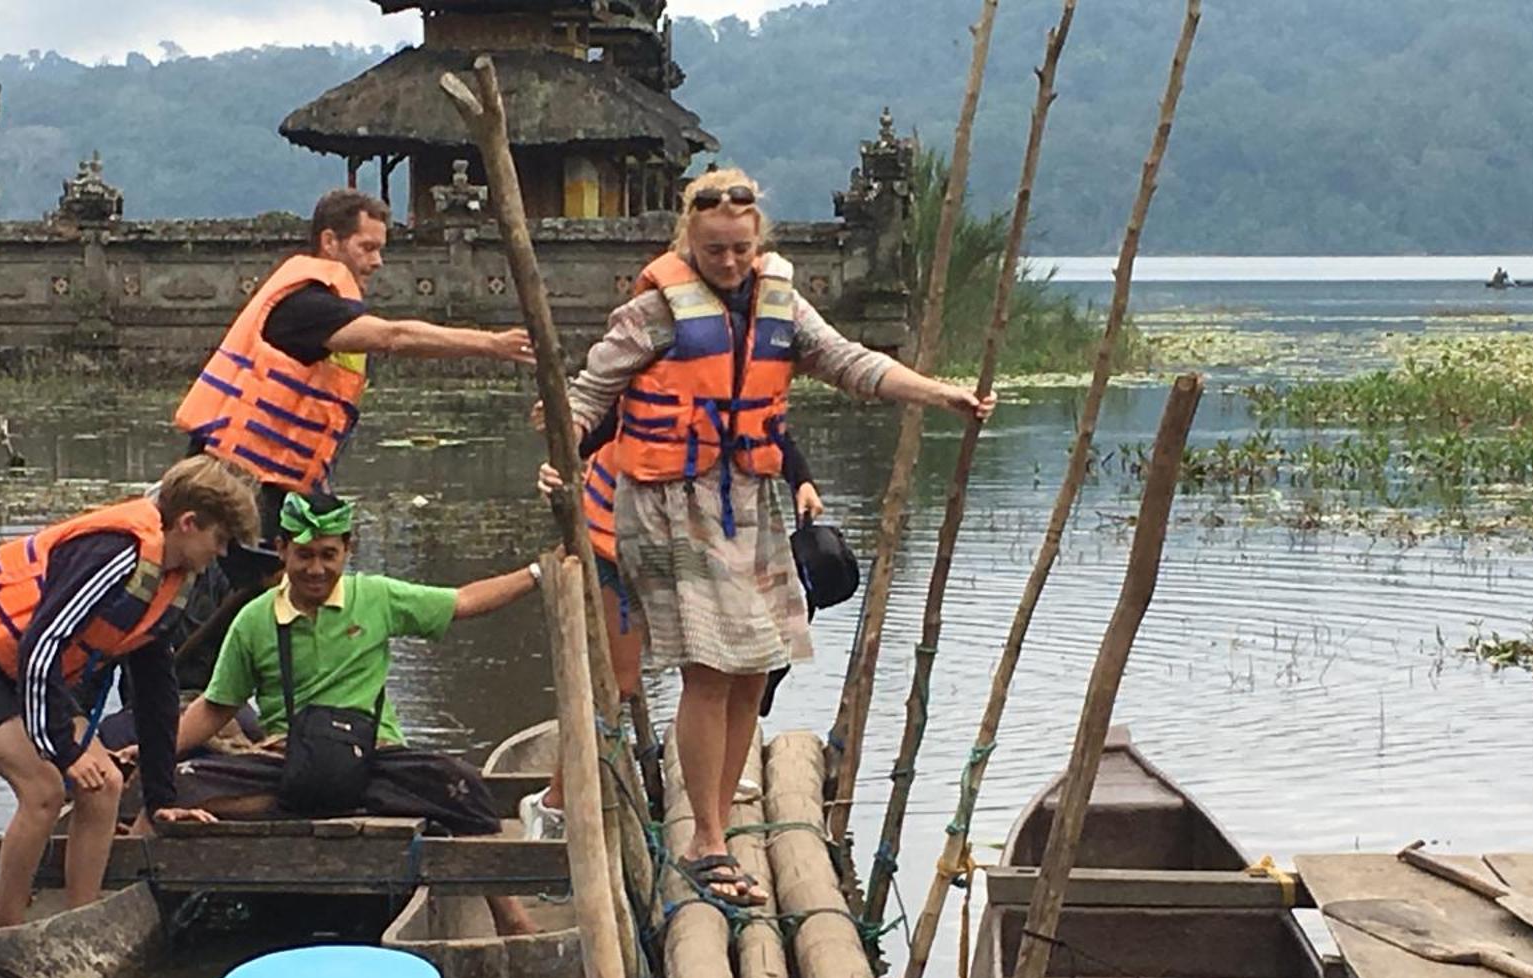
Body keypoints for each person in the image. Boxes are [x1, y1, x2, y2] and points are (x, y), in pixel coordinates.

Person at [565, 167, 995, 906]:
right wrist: (557, 456)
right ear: (688, 242)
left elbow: (852, 365)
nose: (728, 263)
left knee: (756, 665)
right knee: (708, 664)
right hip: (670, 505)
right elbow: (586, 395)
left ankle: (719, 817)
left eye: (739, 248)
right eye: (713, 250)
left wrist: (940, 394)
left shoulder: (781, 305)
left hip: (751, 498)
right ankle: (702, 838)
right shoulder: (652, 314)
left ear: (756, 241)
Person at [172, 490, 545, 934]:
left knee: (461, 785)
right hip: (289, 762)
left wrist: (538, 573)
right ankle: (152, 895)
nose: (316, 569)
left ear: (347, 550)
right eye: (304, 555)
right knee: (182, 784)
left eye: (329, 555)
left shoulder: (375, 597)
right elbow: (216, 707)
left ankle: (511, 918)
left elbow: (462, 602)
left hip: (374, 756)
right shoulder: (255, 619)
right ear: (281, 551)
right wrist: (154, 753)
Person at [0, 454, 259, 927]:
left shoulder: (171, 577)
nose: (221, 554)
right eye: (219, 540)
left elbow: (157, 690)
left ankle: (80, 923)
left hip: (29, 675)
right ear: (188, 523)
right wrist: (64, 749)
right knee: (45, 789)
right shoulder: (116, 551)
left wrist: (161, 800)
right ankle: (8, 930)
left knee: (106, 786)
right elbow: (42, 643)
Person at [516, 405, 823, 839]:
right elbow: (585, 428)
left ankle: (713, 798)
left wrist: (801, 479)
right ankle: (553, 802)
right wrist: (559, 461)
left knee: (715, 667)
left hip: (695, 545)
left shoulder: (733, 372)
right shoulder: (646, 370)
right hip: (614, 540)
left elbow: (769, 427)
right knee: (616, 685)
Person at [175, 187, 538, 542]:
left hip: (276, 478)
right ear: (330, 242)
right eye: (367, 248)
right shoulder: (307, 304)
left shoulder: (327, 303)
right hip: (234, 477)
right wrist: (492, 343)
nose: (377, 262)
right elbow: (394, 337)